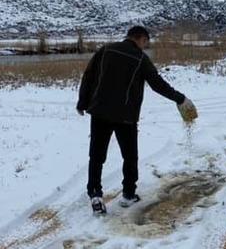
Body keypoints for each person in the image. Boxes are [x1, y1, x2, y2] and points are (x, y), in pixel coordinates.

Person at [76, 26, 194, 215]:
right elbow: (157, 84)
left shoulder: (106, 50)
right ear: (141, 38)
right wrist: (180, 98)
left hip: (100, 112)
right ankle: (129, 194)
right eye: (145, 42)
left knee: (96, 156)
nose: (145, 46)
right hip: (126, 117)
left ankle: (95, 195)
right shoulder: (140, 58)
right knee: (130, 156)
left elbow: (89, 76)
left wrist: (82, 102)